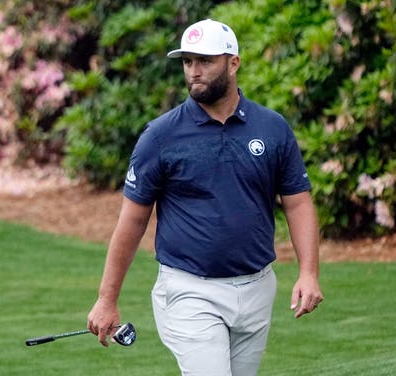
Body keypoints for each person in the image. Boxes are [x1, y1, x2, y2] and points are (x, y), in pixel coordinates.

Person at [86, 19, 324, 375]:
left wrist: (309, 272)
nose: (194, 72)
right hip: (188, 291)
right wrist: (107, 299)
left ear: (233, 63)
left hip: (257, 288)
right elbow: (132, 222)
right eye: (187, 62)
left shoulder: (272, 128)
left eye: (204, 61)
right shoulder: (161, 136)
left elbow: (297, 201)